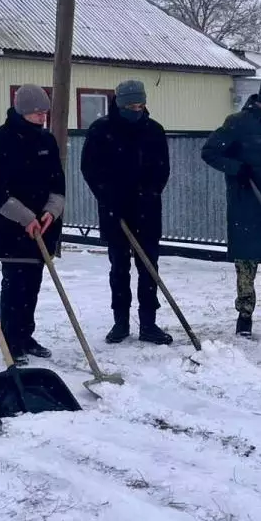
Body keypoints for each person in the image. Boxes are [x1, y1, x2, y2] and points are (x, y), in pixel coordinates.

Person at [200, 72, 261, 344]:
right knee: (246, 267)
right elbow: (210, 152)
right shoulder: (237, 123)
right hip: (245, 205)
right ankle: (244, 318)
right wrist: (236, 169)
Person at [80, 79, 173, 345]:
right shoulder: (101, 130)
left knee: (148, 267)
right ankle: (120, 322)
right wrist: (108, 197)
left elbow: (162, 169)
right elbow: (90, 168)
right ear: (119, 105)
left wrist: (150, 192)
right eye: (131, 105)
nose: (137, 109)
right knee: (119, 268)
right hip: (114, 211)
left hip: (147, 210)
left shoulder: (154, 130)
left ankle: (148, 323)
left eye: (140, 104)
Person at [0, 84, 66, 363]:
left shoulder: (47, 142)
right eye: (37, 113)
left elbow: (57, 183)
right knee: (15, 283)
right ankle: (11, 340)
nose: (42, 118)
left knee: (33, 283)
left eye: (45, 113)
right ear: (22, 112)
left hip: (44, 225)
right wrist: (26, 218)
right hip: (12, 227)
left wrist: (51, 211)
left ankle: (26, 335)